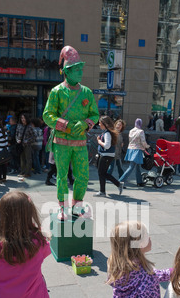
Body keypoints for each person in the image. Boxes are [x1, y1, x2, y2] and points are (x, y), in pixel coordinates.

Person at [43, 45, 99, 220]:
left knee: (83, 175)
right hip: (61, 142)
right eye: (77, 70)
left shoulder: (87, 92)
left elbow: (95, 114)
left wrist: (85, 123)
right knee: (61, 176)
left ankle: (77, 206)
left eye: (81, 69)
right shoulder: (57, 92)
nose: (80, 73)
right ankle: (62, 208)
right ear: (67, 71)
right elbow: (47, 115)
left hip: (80, 143)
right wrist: (65, 125)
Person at [94, 116, 124, 197]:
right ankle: (117, 184)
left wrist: (99, 141)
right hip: (107, 155)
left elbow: (107, 146)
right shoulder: (107, 132)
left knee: (101, 173)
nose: (99, 124)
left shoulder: (107, 133)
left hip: (106, 155)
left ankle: (103, 191)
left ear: (104, 124)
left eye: (100, 123)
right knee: (103, 173)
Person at [119, 118, 150, 187]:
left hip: (130, 149)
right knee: (131, 167)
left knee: (137, 166)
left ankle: (139, 181)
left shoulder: (131, 131)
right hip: (137, 149)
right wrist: (147, 146)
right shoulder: (141, 131)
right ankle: (120, 181)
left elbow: (130, 140)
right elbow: (143, 142)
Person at [16, 113, 36, 179]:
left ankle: (27, 173)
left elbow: (34, 136)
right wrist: (17, 140)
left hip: (27, 145)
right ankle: (22, 172)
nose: (23, 119)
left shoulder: (30, 126)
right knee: (22, 159)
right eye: (22, 118)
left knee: (28, 159)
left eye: (24, 118)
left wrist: (27, 140)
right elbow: (16, 134)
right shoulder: (19, 126)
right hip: (20, 145)